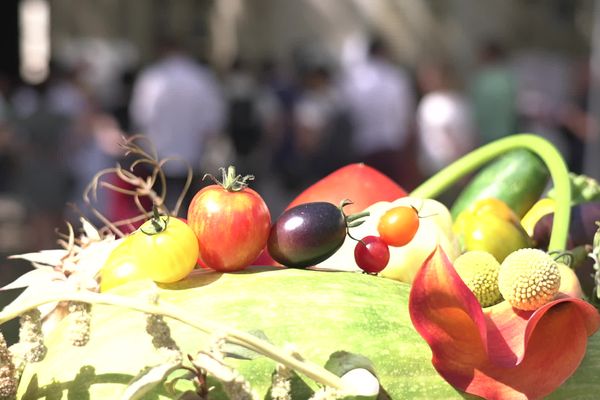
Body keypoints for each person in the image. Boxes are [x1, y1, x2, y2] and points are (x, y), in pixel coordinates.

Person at [129, 38, 225, 213]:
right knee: (191, 208)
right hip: (192, 155)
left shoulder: (151, 78)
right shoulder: (201, 78)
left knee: (157, 206)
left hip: (157, 155)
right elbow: (213, 120)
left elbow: (141, 116)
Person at [340, 37, 417, 188]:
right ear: (382, 52)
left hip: (365, 148)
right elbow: (405, 113)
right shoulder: (394, 76)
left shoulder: (352, 82)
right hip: (393, 145)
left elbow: (347, 113)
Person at [469, 40, 518, 143]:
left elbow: (476, 110)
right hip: (511, 131)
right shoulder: (509, 75)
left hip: (488, 135)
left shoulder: (480, 80)